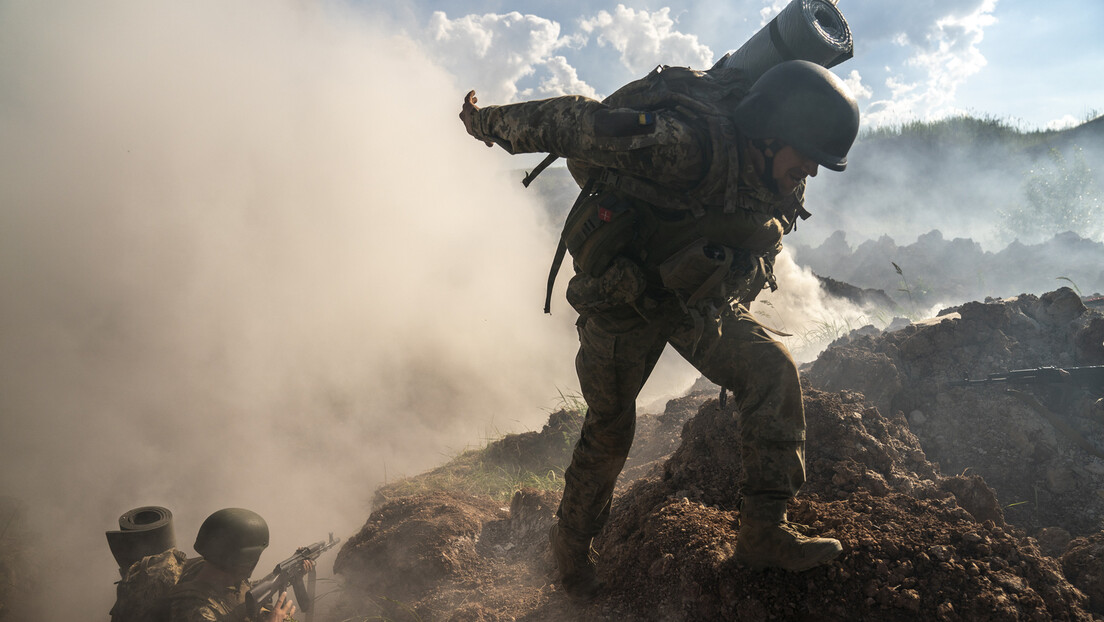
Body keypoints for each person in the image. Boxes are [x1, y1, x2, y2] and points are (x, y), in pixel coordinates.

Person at [460, 59, 860, 598]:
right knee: (610, 428)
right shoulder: (685, 148)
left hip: (695, 299)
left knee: (773, 370)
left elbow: (761, 234)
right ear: (770, 137)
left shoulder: (780, 180)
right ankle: (571, 549)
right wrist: (485, 124)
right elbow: (573, 121)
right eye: (807, 156)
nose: (811, 171)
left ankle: (764, 532)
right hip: (623, 296)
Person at [169, 508, 307, 622]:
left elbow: (242, 591)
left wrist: (283, 575)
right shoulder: (198, 613)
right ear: (246, 560)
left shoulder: (203, 568)